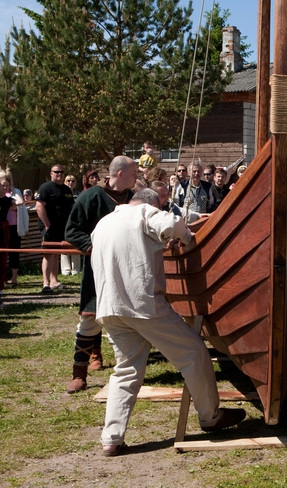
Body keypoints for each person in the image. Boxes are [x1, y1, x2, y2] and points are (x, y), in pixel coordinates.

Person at [93, 189, 245, 456]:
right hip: (143, 305)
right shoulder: (144, 212)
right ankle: (211, 417)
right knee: (194, 353)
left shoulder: (104, 222)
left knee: (126, 371)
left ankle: (111, 439)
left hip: (110, 307)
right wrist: (186, 239)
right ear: (152, 203)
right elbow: (172, 224)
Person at [64, 156, 138, 393]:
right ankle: (79, 374)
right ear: (120, 174)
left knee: (126, 321)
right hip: (98, 269)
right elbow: (72, 230)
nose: (137, 176)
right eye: (133, 172)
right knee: (89, 319)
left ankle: (125, 374)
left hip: (128, 269)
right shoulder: (91, 197)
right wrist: (96, 247)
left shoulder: (135, 199)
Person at [35, 165, 75, 294]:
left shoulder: (66, 189)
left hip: (62, 227)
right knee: (48, 254)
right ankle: (45, 283)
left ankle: (54, 281)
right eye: (56, 172)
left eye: (62, 172)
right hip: (49, 227)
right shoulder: (46, 187)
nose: (59, 174)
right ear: (51, 173)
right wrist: (47, 225)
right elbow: (39, 206)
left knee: (56, 253)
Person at [0, 172, 27, 292]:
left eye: (6, 185)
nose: (4, 188)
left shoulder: (8, 199)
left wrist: (12, 191)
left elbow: (20, 202)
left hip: (4, 227)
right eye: (2, 185)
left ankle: (1, 285)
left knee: (3, 257)